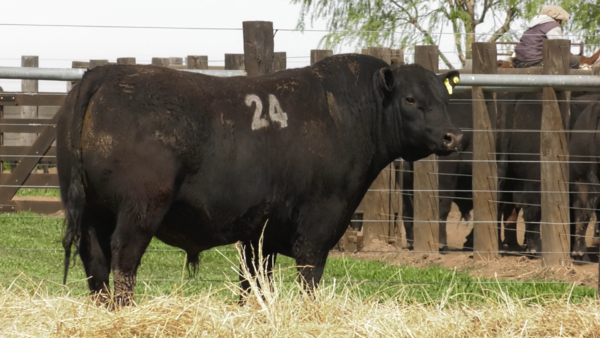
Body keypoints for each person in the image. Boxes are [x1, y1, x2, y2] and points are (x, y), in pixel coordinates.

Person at [513, 5, 580, 69]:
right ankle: (560, 80)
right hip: (535, 61)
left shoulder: (533, 26)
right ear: (558, 20)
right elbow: (559, 48)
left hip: (520, 62)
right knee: (574, 60)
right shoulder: (553, 26)